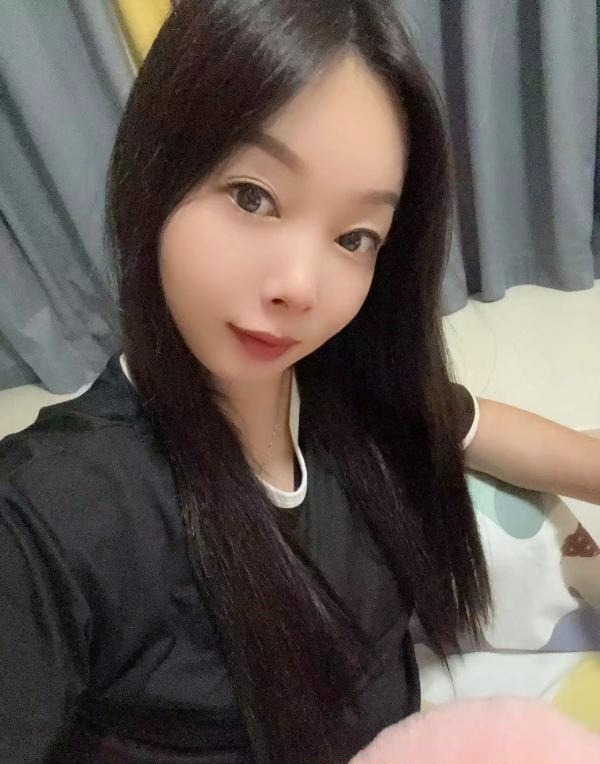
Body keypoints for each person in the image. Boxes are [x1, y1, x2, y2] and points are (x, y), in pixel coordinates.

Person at [1, 1, 599, 762]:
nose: (299, 287)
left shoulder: (343, 385)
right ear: (156, 172)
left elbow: (469, 423)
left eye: (354, 237)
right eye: (252, 197)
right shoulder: (49, 514)